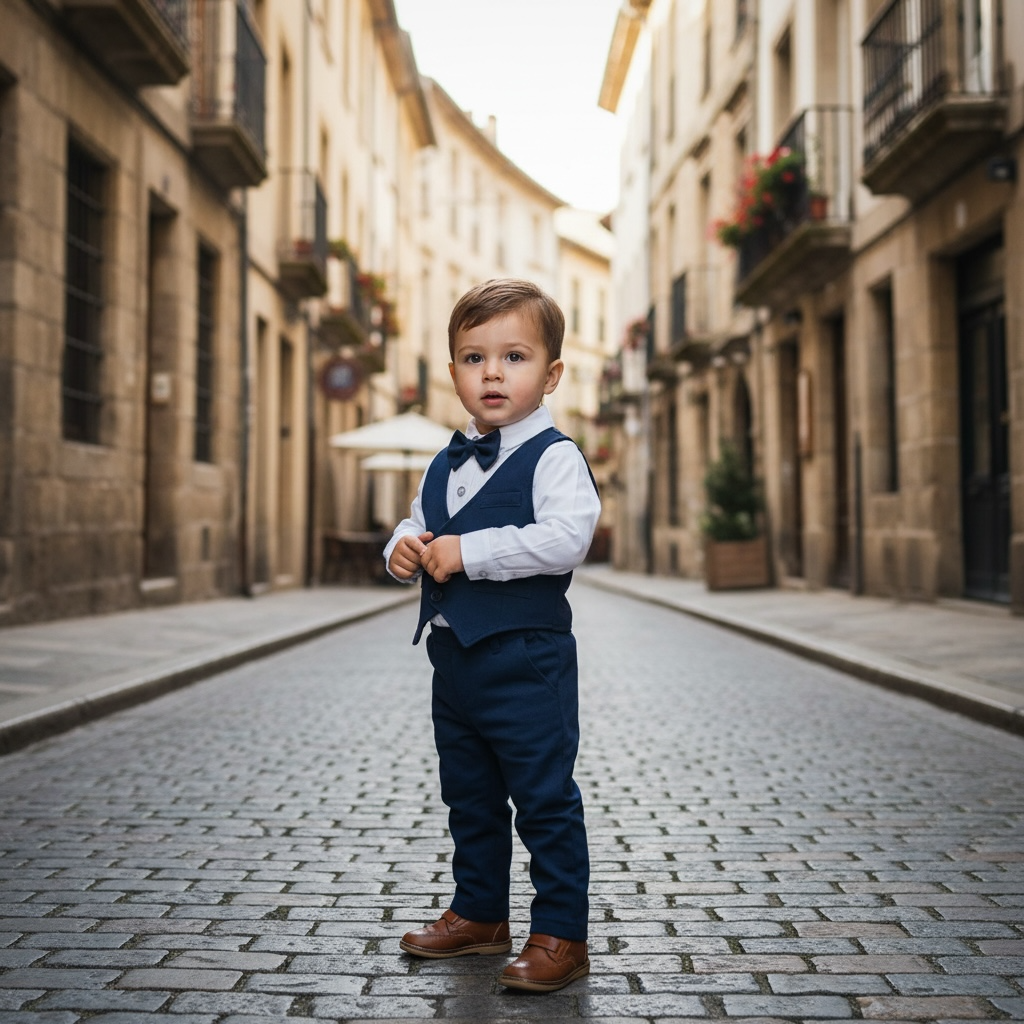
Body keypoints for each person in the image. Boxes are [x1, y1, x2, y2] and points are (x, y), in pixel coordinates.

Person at [384, 278, 601, 992]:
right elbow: (418, 520)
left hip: (526, 658)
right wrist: (401, 548)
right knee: (468, 795)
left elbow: (567, 538)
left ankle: (561, 934)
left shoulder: (555, 457)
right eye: (475, 359)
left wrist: (469, 553)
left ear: (551, 374)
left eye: (514, 357)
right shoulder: (444, 460)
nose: (493, 374)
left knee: (543, 799)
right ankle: (480, 914)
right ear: (453, 373)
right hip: (454, 661)